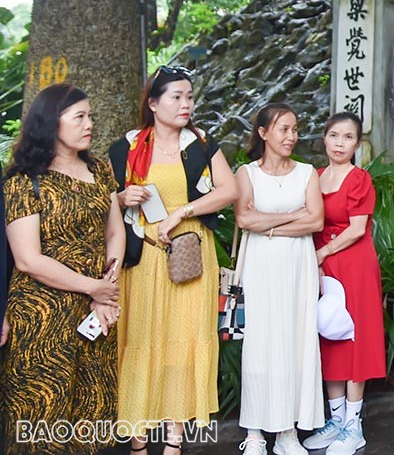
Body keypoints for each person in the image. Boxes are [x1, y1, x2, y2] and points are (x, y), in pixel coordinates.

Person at [109, 65, 239, 453]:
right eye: (176, 97)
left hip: (191, 256)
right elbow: (102, 201)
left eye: (189, 97)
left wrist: (183, 211)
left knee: (185, 344)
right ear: (153, 103)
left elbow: (228, 190)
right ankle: (137, 441)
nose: (186, 104)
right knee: (141, 340)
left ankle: (174, 443)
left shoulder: (199, 143)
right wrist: (120, 198)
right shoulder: (127, 148)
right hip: (145, 258)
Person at [2, 83, 125, 454]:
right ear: (51, 123)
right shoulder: (24, 180)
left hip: (93, 311)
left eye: (90, 116)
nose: (90, 124)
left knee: (92, 413)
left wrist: (106, 291)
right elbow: (28, 259)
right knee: (42, 415)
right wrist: (92, 287)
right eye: (80, 117)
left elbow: (115, 231)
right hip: (42, 313)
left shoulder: (100, 169)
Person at [235, 103, 325, 455]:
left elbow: (315, 221)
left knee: (295, 340)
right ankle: (255, 432)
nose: (291, 136)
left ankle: (288, 433)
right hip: (261, 266)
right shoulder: (247, 173)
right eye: (283, 129)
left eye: (295, 129)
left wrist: (269, 223)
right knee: (260, 343)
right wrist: (291, 217)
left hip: (297, 265)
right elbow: (244, 219)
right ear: (263, 133)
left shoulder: (306, 173)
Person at [302, 112, 385, 454]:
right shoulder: (315, 177)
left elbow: (355, 228)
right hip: (323, 265)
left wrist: (322, 254)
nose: (340, 143)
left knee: (354, 339)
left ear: (357, 143)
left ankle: (354, 426)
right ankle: (335, 421)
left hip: (353, 264)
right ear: (324, 138)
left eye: (347, 137)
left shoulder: (358, 179)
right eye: (334, 135)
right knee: (328, 336)